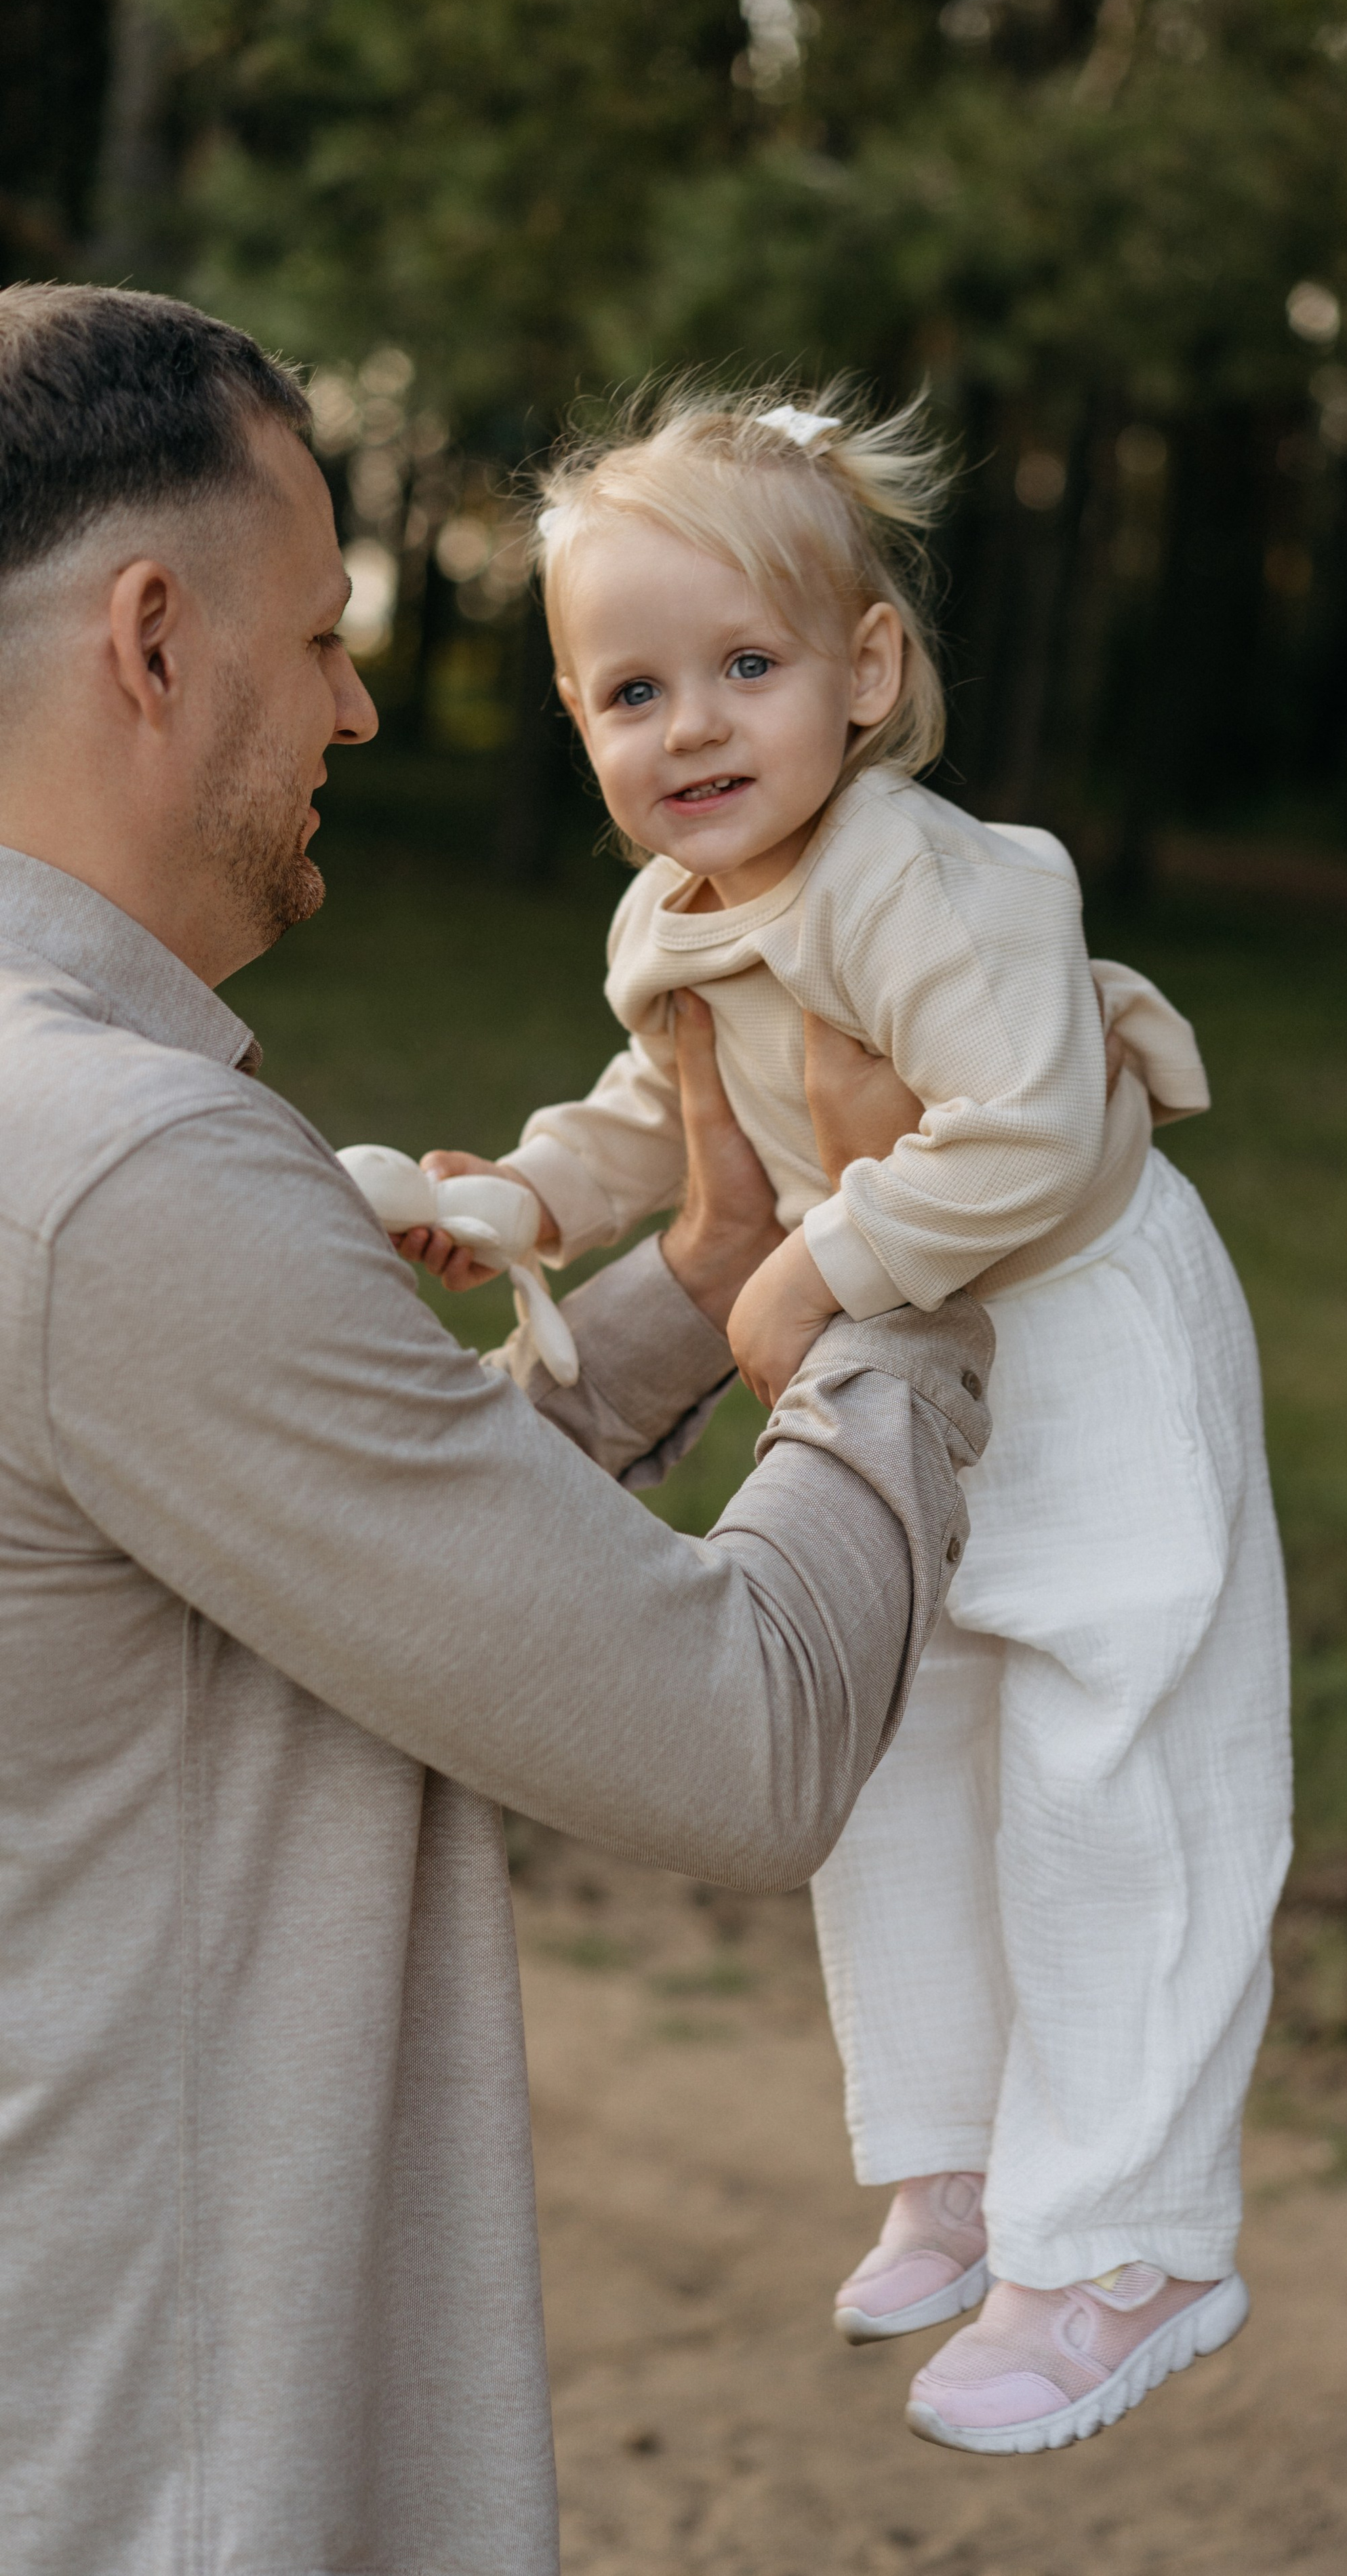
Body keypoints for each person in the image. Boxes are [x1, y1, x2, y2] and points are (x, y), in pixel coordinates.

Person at [0, 287, 997, 2576]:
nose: (359, 699)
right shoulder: (115, 1163)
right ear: (153, 639)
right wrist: (894, 1261)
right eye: (324, 632)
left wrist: (699, 1265)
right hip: (156, 2470)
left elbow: (331, 1563)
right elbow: (730, 1735)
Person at [413, 384, 1292, 2456]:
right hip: (911, 1338)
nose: (694, 727)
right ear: (575, 717)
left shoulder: (930, 877)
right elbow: (657, 1113)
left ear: (866, 673)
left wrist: (815, 1268)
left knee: (1114, 1753)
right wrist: (520, 1201)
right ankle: (965, 2157)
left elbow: (1039, 1124)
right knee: (905, 1731)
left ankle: (1140, 2236)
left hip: (1079, 1324)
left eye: (748, 667)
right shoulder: (675, 917)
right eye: (634, 690)